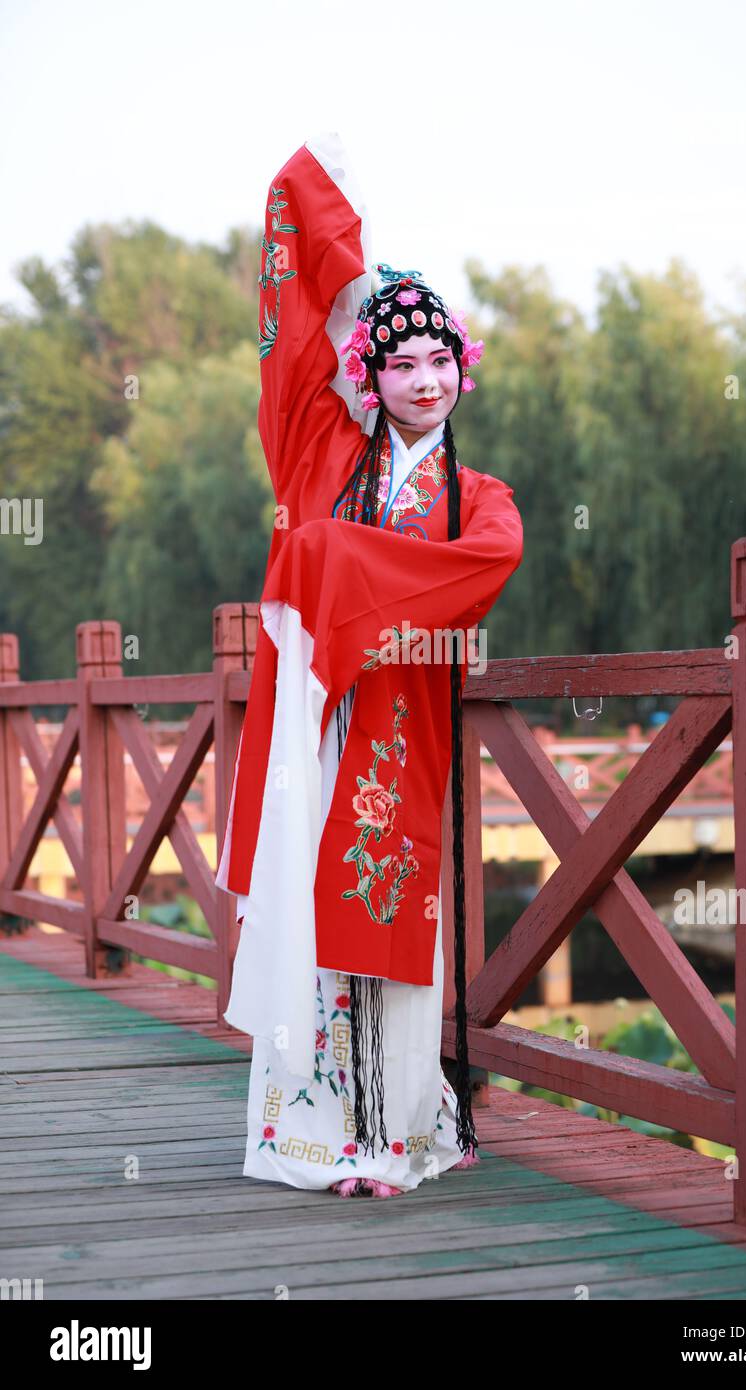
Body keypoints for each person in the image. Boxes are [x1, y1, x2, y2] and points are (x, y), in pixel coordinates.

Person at [214, 131, 523, 1197]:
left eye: (441, 359)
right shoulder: (320, 454)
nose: (425, 379)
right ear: (368, 374)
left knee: (386, 924)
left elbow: (479, 573)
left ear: (461, 367)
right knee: (311, 926)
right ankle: (311, 1136)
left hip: (395, 728)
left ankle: (395, 1134)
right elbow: (291, 231)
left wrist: (329, 575)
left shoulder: (474, 500)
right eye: (401, 360)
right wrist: (348, 254)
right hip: (314, 728)